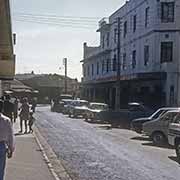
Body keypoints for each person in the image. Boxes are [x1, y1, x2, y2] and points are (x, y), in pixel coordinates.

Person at [0, 100, 14, 180]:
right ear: (2, 109)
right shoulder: (6, 120)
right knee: (1, 169)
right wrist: (11, 149)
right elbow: (10, 136)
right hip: (2, 146)